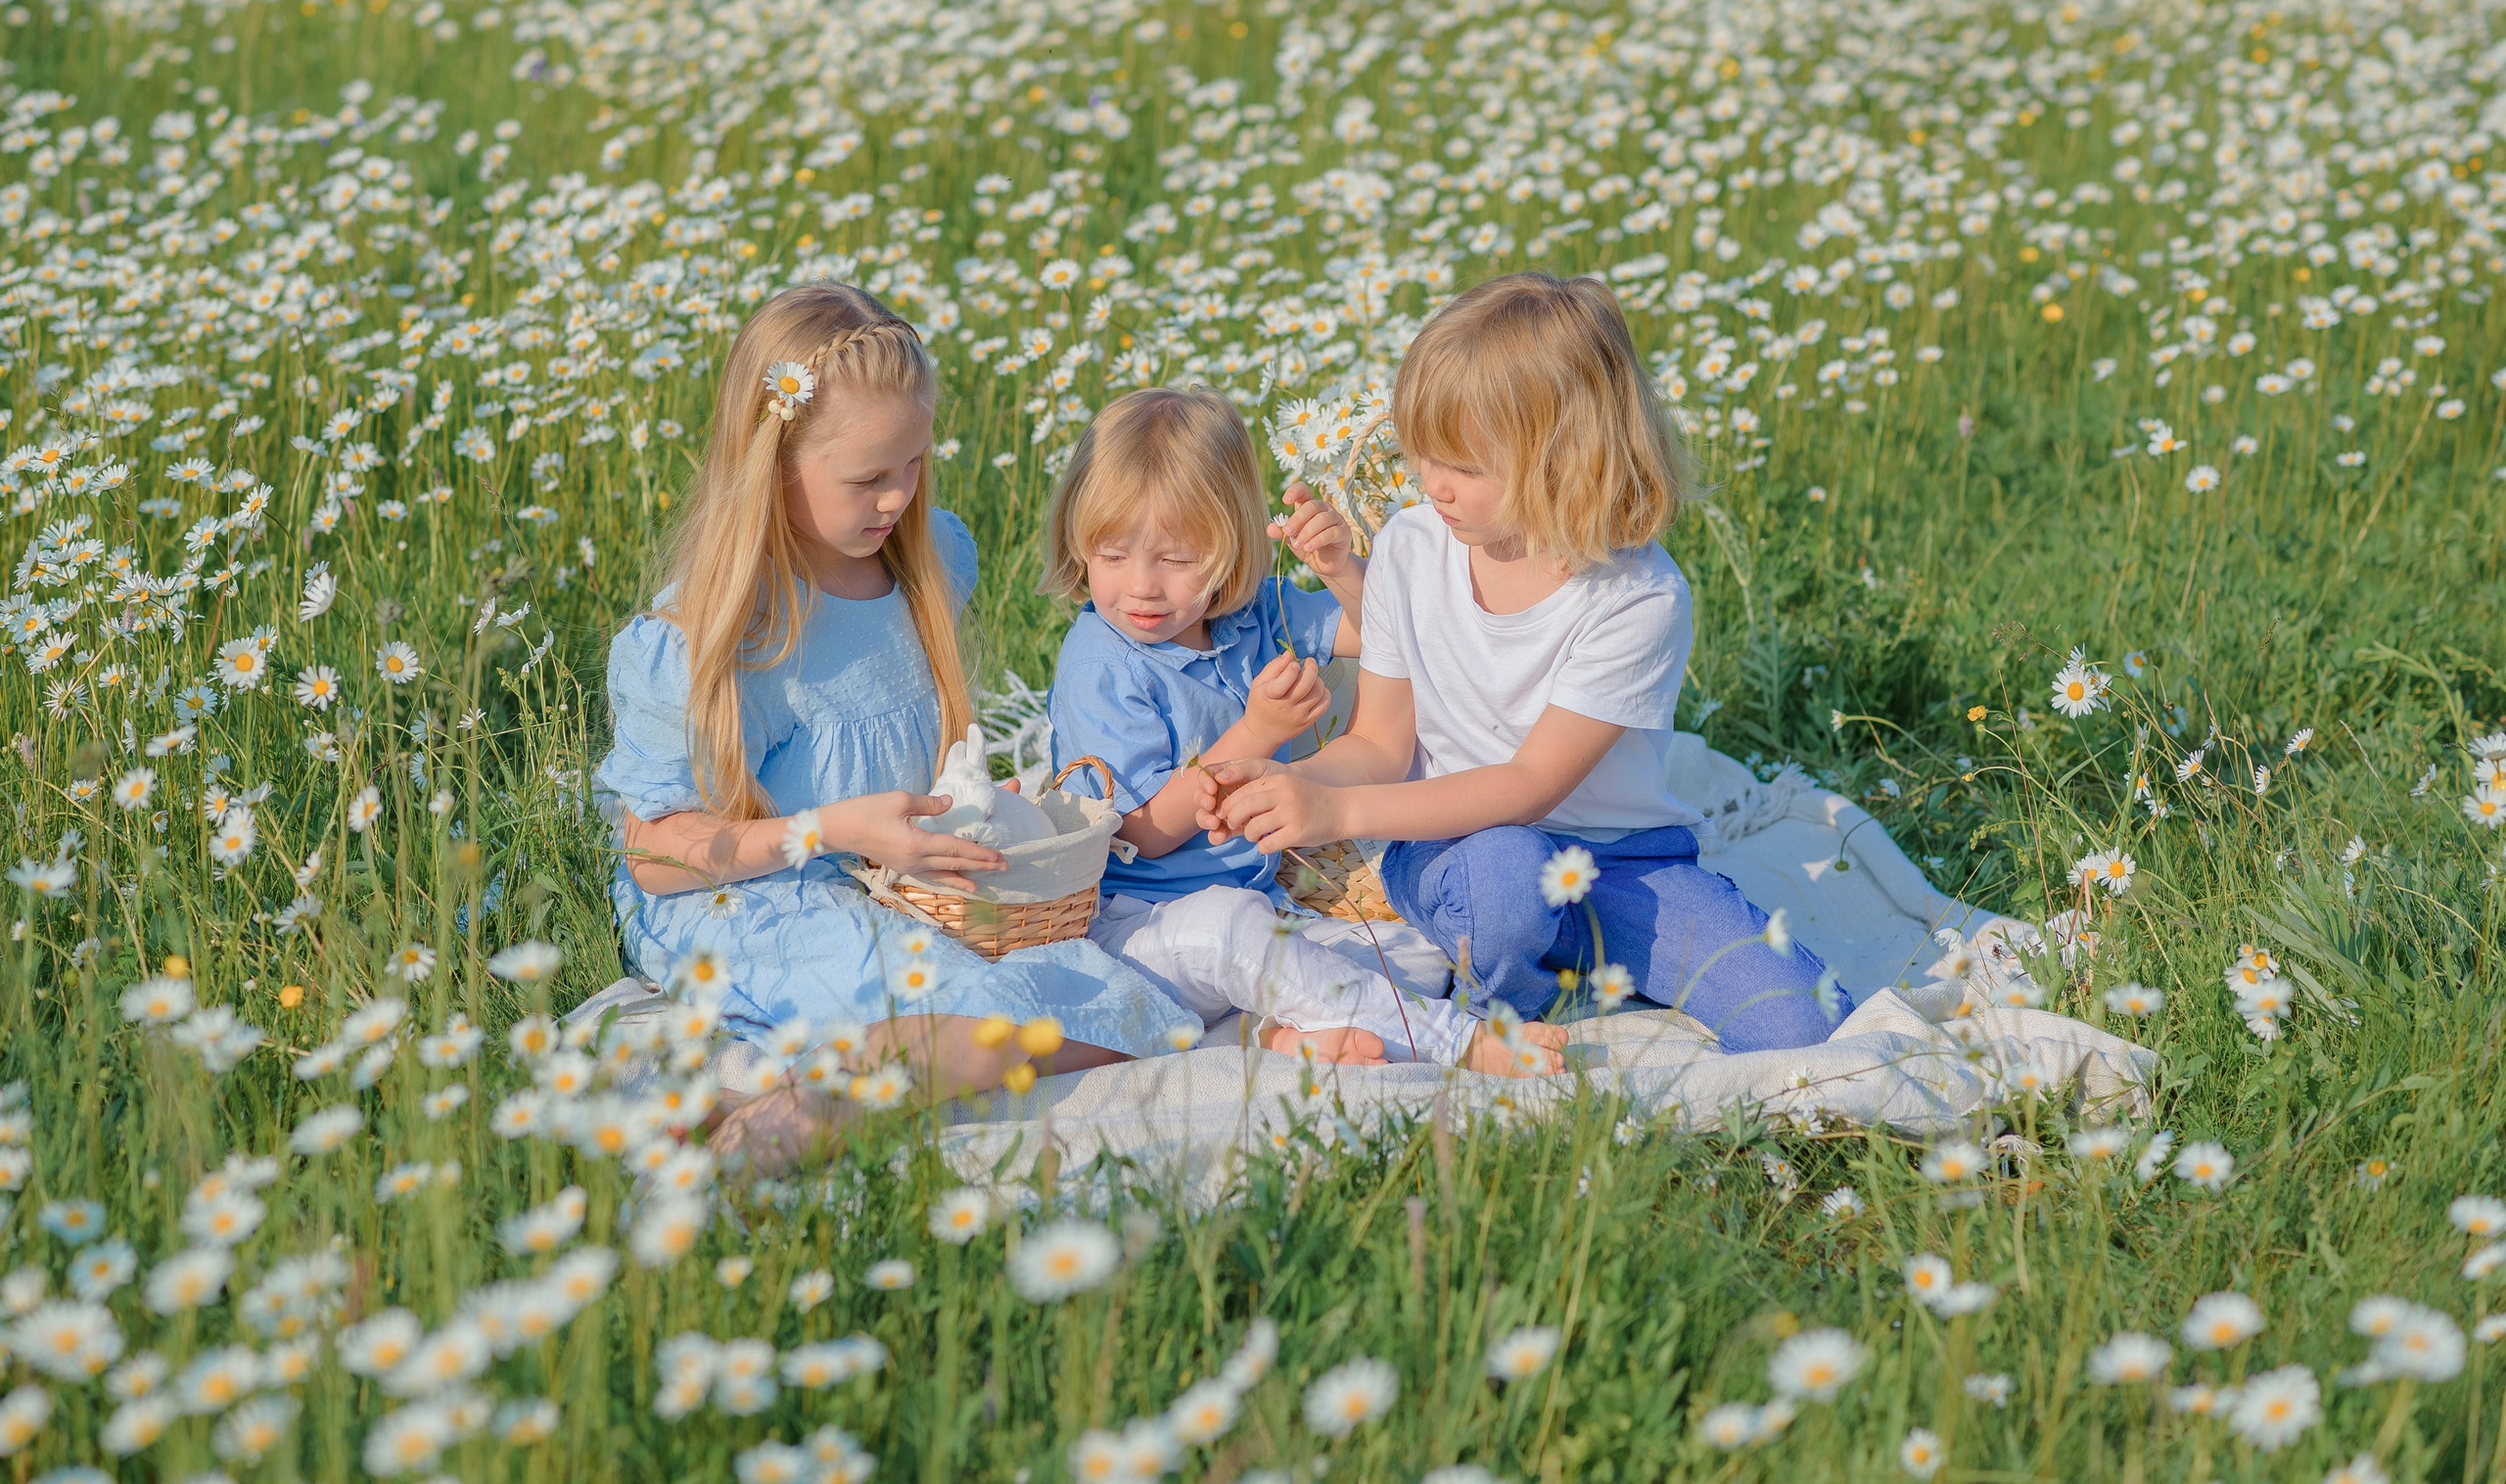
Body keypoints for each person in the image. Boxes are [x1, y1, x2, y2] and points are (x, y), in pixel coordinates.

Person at [593, 284, 1194, 1170]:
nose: (897, 498)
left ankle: (791, 1086)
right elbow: (656, 853)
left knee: (1129, 1010)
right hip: (749, 892)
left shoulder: (926, 561)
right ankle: (785, 1123)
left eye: (913, 463)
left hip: (894, 877)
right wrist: (832, 831)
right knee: (976, 1022)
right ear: (772, 465)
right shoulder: (716, 635)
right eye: (868, 477)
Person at [1195, 271, 1848, 1052]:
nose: (1433, 485)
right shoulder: (1411, 548)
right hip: (1459, 853)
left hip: (1621, 862)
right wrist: (1295, 781)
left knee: (1806, 1023)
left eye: (1466, 467)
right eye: (1424, 455)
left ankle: (1559, 958)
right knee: (1507, 880)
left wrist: (1337, 813)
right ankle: (1496, 1017)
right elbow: (1380, 744)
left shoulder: (1638, 596)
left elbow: (1530, 785)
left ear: (1567, 460)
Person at [1044, 387, 1562, 1074]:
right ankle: (1458, 1041)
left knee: (1412, 954)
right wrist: (1258, 731)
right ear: (1080, 544)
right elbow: (1141, 831)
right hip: (1136, 927)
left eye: (1174, 559)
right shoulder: (1100, 663)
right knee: (1234, 935)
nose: (1141, 586)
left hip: (1263, 902)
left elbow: (1377, 632)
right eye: (1112, 555)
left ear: (1229, 545)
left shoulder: (1252, 617)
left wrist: (1340, 569)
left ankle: (1267, 1036)